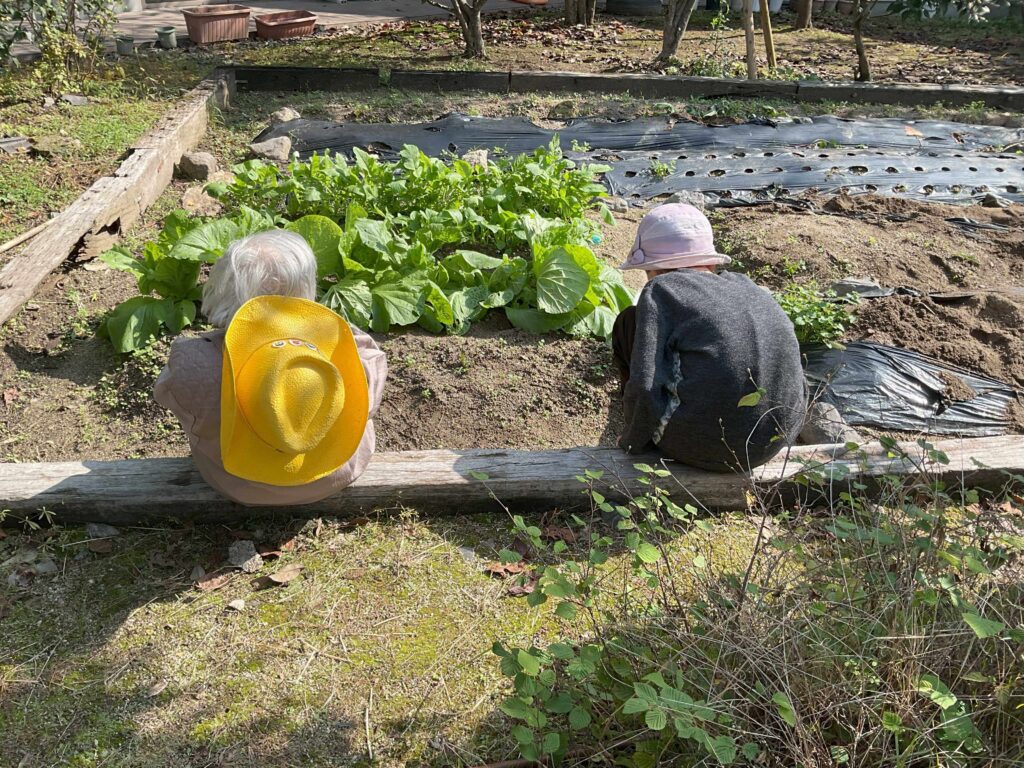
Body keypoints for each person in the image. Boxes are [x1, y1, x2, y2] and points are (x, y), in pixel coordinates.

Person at [154, 230, 387, 505]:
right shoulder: (353, 349)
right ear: (307, 287)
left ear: (222, 287)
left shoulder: (194, 361)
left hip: (237, 482)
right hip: (336, 473)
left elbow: (167, 396)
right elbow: (368, 399)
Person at [613, 203, 806, 472]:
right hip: (774, 441)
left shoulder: (662, 289)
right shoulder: (750, 288)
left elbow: (645, 384)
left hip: (704, 447)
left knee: (628, 323)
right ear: (712, 262)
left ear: (653, 269)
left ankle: (643, 427)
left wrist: (632, 443)